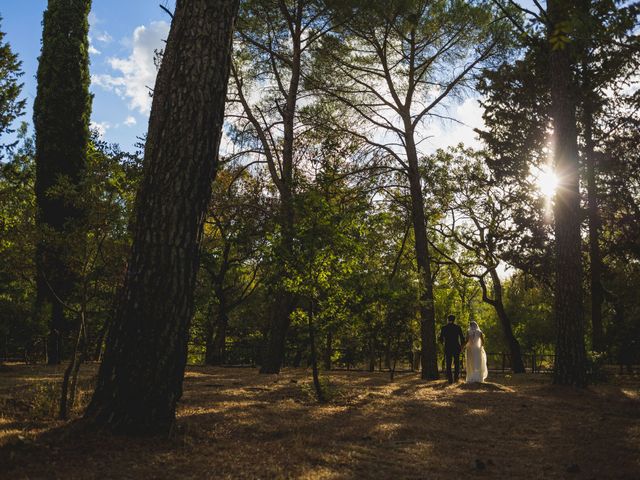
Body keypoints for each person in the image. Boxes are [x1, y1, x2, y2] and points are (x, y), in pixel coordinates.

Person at [438, 314, 465, 383]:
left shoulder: (444, 328)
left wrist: (442, 343)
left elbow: (440, 339)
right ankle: (456, 378)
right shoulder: (458, 327)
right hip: (456, 347)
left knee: (448, 363)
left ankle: (450, 379)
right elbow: (462, 338)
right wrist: (462, 346)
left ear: (448, 319)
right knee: (457, 363)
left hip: (448, 347)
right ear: (454, 320)